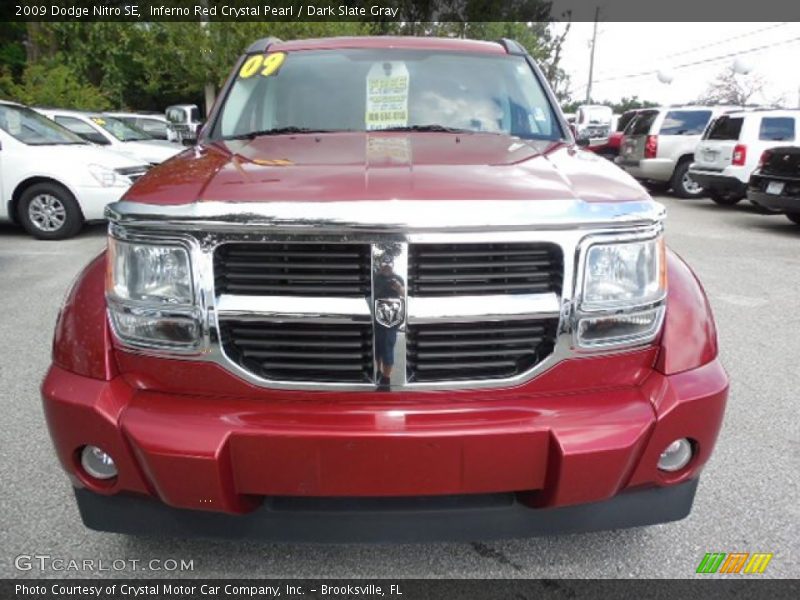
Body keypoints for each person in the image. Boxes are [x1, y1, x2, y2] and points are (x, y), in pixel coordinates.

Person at [373, 254, 405, 389]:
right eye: (384, 264)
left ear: (393, 265)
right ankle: (379, 371)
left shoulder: (398, 278)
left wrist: (398, 288)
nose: (387, 267)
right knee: (377, 346)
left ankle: (386, 380)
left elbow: (404, 293)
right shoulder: (374, 278)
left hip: (392, 315)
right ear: (381, 265)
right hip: (376, 313)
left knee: (388, 345)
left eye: (389, 264)